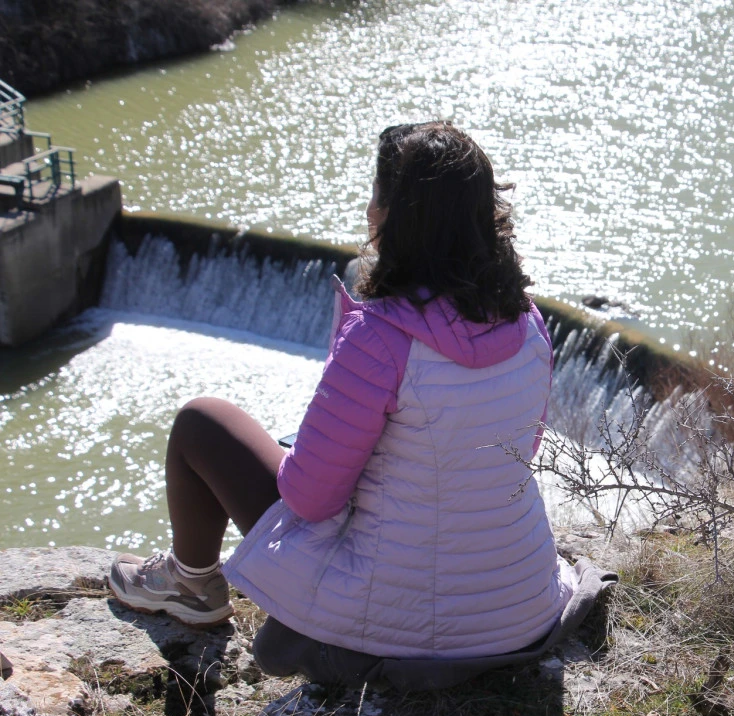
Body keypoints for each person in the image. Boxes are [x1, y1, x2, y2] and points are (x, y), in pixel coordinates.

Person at [109, 122, 588, 685]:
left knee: (202, 422)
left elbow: (309, 499)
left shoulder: (381, 337)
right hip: (520, 610)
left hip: (406, 627)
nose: (369, 207)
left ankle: (191, 584)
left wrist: (314, 457)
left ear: (393, 214)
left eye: (377, 195)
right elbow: (518, 449)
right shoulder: (528, 322)